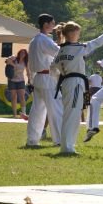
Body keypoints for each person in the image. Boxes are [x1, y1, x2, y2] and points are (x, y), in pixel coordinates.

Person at [50, 21, 103, 153]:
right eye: (78, 33)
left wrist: (61, 77)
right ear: (72, 33)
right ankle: (67, 147)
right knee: (72, 115)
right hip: (75, 82)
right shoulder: (78, 48)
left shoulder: (61, 50)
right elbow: (96, 42)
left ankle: (68, 145)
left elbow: (52, 68)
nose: (79, 35)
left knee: (70, 114)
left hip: (66, 82)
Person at [26, 14, 63, 147]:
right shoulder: (43, 39)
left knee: (37, 111)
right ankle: (59, 140)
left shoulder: (35, 40)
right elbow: (60, 53)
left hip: (39, 78)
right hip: (48, 78)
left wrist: (59, 39)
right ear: (46, 24)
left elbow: (54, 51)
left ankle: (32, 140)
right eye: (52, 23)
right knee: (55, 109)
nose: (53, 26)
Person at [5, 49, 30, 118]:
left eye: (24, 53)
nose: (22, 54)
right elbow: (7, 60)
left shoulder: (25, 62)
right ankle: (14, 114)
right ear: (19, 53)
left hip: (21, 81)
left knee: (22, 97)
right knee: (13, 97)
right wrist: (13, 64)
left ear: (25, 55)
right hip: (12, 80)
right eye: (21, 53)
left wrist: (30, 79)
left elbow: (28, 71)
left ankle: (24, 113)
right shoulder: (14, 58)